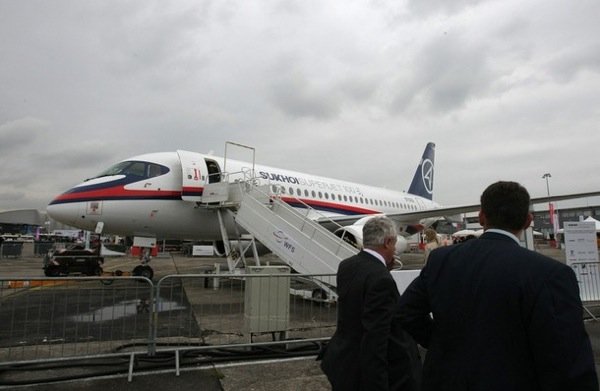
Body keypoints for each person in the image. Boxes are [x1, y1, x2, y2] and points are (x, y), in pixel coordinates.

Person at [397, 181, 598, 390]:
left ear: (481, 216)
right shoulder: (551, 273)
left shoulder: (442, 259)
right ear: (528, 221)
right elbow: (568, 359)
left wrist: (441, 343)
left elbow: (406, 312)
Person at [320, 216, 421, 391]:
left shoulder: (347, 266)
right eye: (395, 243)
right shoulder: (381, 278)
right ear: (388, 242)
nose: (395, 249)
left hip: (344, 364)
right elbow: (375, 340)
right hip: (368, 373)